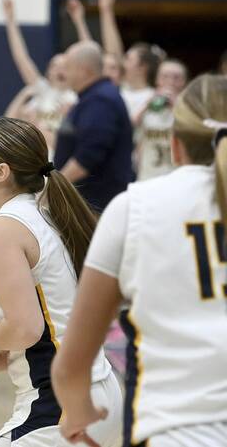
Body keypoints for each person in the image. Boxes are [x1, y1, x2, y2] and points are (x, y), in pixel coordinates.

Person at [51, 74, 227, 446]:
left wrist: (80, 418)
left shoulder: (134, 208)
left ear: (175, 145)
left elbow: (71, 365)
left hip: (174, 432)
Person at [0, 117, 122, 447]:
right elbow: (48, 326)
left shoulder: (0, 229)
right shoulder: (40, 212)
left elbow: (26, 328)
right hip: (93, 390)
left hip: (60, 405)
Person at [54, 41, 133, 211]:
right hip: (89, 204)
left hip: (97, 207)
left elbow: (88, 156)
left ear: (84, 70)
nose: (63, 73)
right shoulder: (91, 98)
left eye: (67, 67)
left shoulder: (101, 101)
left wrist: (55, 188)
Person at [1, 0, 77, 155]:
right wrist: (10, 20)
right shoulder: (40, 89)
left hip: (57, 161)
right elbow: (21, 57)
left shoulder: (74, 97)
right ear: (49, 70)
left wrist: (35, 126)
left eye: (64, 65)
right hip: (31, 157)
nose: (59, 69)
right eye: (55, 65)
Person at [134, 59, 189, 180]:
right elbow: (129, 128)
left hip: (176, 178)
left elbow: (194, 134)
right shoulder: (145, 100)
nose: (170, 82)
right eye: (165, 76)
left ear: (184, 82)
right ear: (157, 79)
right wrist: (147, 105)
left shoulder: (190, 107)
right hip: (147, 176)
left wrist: (176, 107)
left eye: (176, 78)